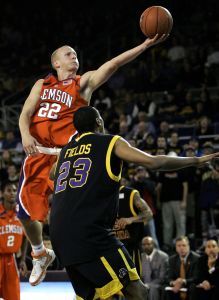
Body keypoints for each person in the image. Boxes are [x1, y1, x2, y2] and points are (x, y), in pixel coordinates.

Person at [16, 33, 167, 286]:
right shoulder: (42, 84)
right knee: (25, 214)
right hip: (38, 152)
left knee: (72, 214)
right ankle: (40, 253)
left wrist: (144, 45)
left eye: (76, 54)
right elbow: (25, 113)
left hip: (68, 157)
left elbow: (113, 65)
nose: (74, 57)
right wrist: (24, 135)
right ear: (56, 62)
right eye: (69, 54)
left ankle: (98, 253)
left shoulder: (82, 83)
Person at [49, 106, 219, 299]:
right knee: (138, 291)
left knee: (91, 296)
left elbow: (52, 173)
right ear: (99, 122)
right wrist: (195, 161)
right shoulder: (110, 142)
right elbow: (155, 162)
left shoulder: (64, 153)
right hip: (90, 233)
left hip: (59, 236)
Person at [113, 179, 153, 275]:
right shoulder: (101, 197)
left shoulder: (130, 194)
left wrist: (130, 219)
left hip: (130, 247)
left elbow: (148, 214)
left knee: (133, 281)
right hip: (111, 248)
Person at [0, 181, 27, 300]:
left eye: (14, 190)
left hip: (12, 260)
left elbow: (27, 237)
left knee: (13, 296)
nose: (12, 193)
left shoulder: (21, 213)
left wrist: (22, 260)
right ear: (2, 193)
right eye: (9, 190)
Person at [164, 236, 200, 300]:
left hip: (189, 284)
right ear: (176, 248)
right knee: (165, 287)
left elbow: (196, 277)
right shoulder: (172, 259)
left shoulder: (196, 258)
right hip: (176, 286)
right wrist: (173, 282)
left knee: (193, 287)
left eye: (184, 245)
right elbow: (168, 277)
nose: (181, 248)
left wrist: (183, 281)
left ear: (188, 246)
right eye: (179, 246)